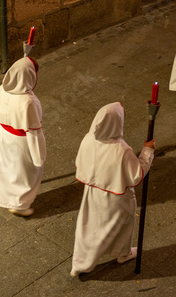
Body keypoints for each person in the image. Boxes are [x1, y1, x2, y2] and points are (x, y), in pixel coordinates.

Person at [70, 102, 155, 277]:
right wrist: (147, 151)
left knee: (88, 226)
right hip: (117, 197)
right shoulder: (122, 149)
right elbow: (136, 174)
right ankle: (123, 253)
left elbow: (80, 163)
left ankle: (80, 263)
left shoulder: (88, 139)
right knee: (121, 226)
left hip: (92, 193)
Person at [0, 57, 46, 217]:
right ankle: (20, 205)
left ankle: (4, 194)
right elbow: (34, 130)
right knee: (25, 173)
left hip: (4, 135)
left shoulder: (3, 89)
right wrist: (39, 155)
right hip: (22, 141)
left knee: (6, 167)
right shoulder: (29, 101)